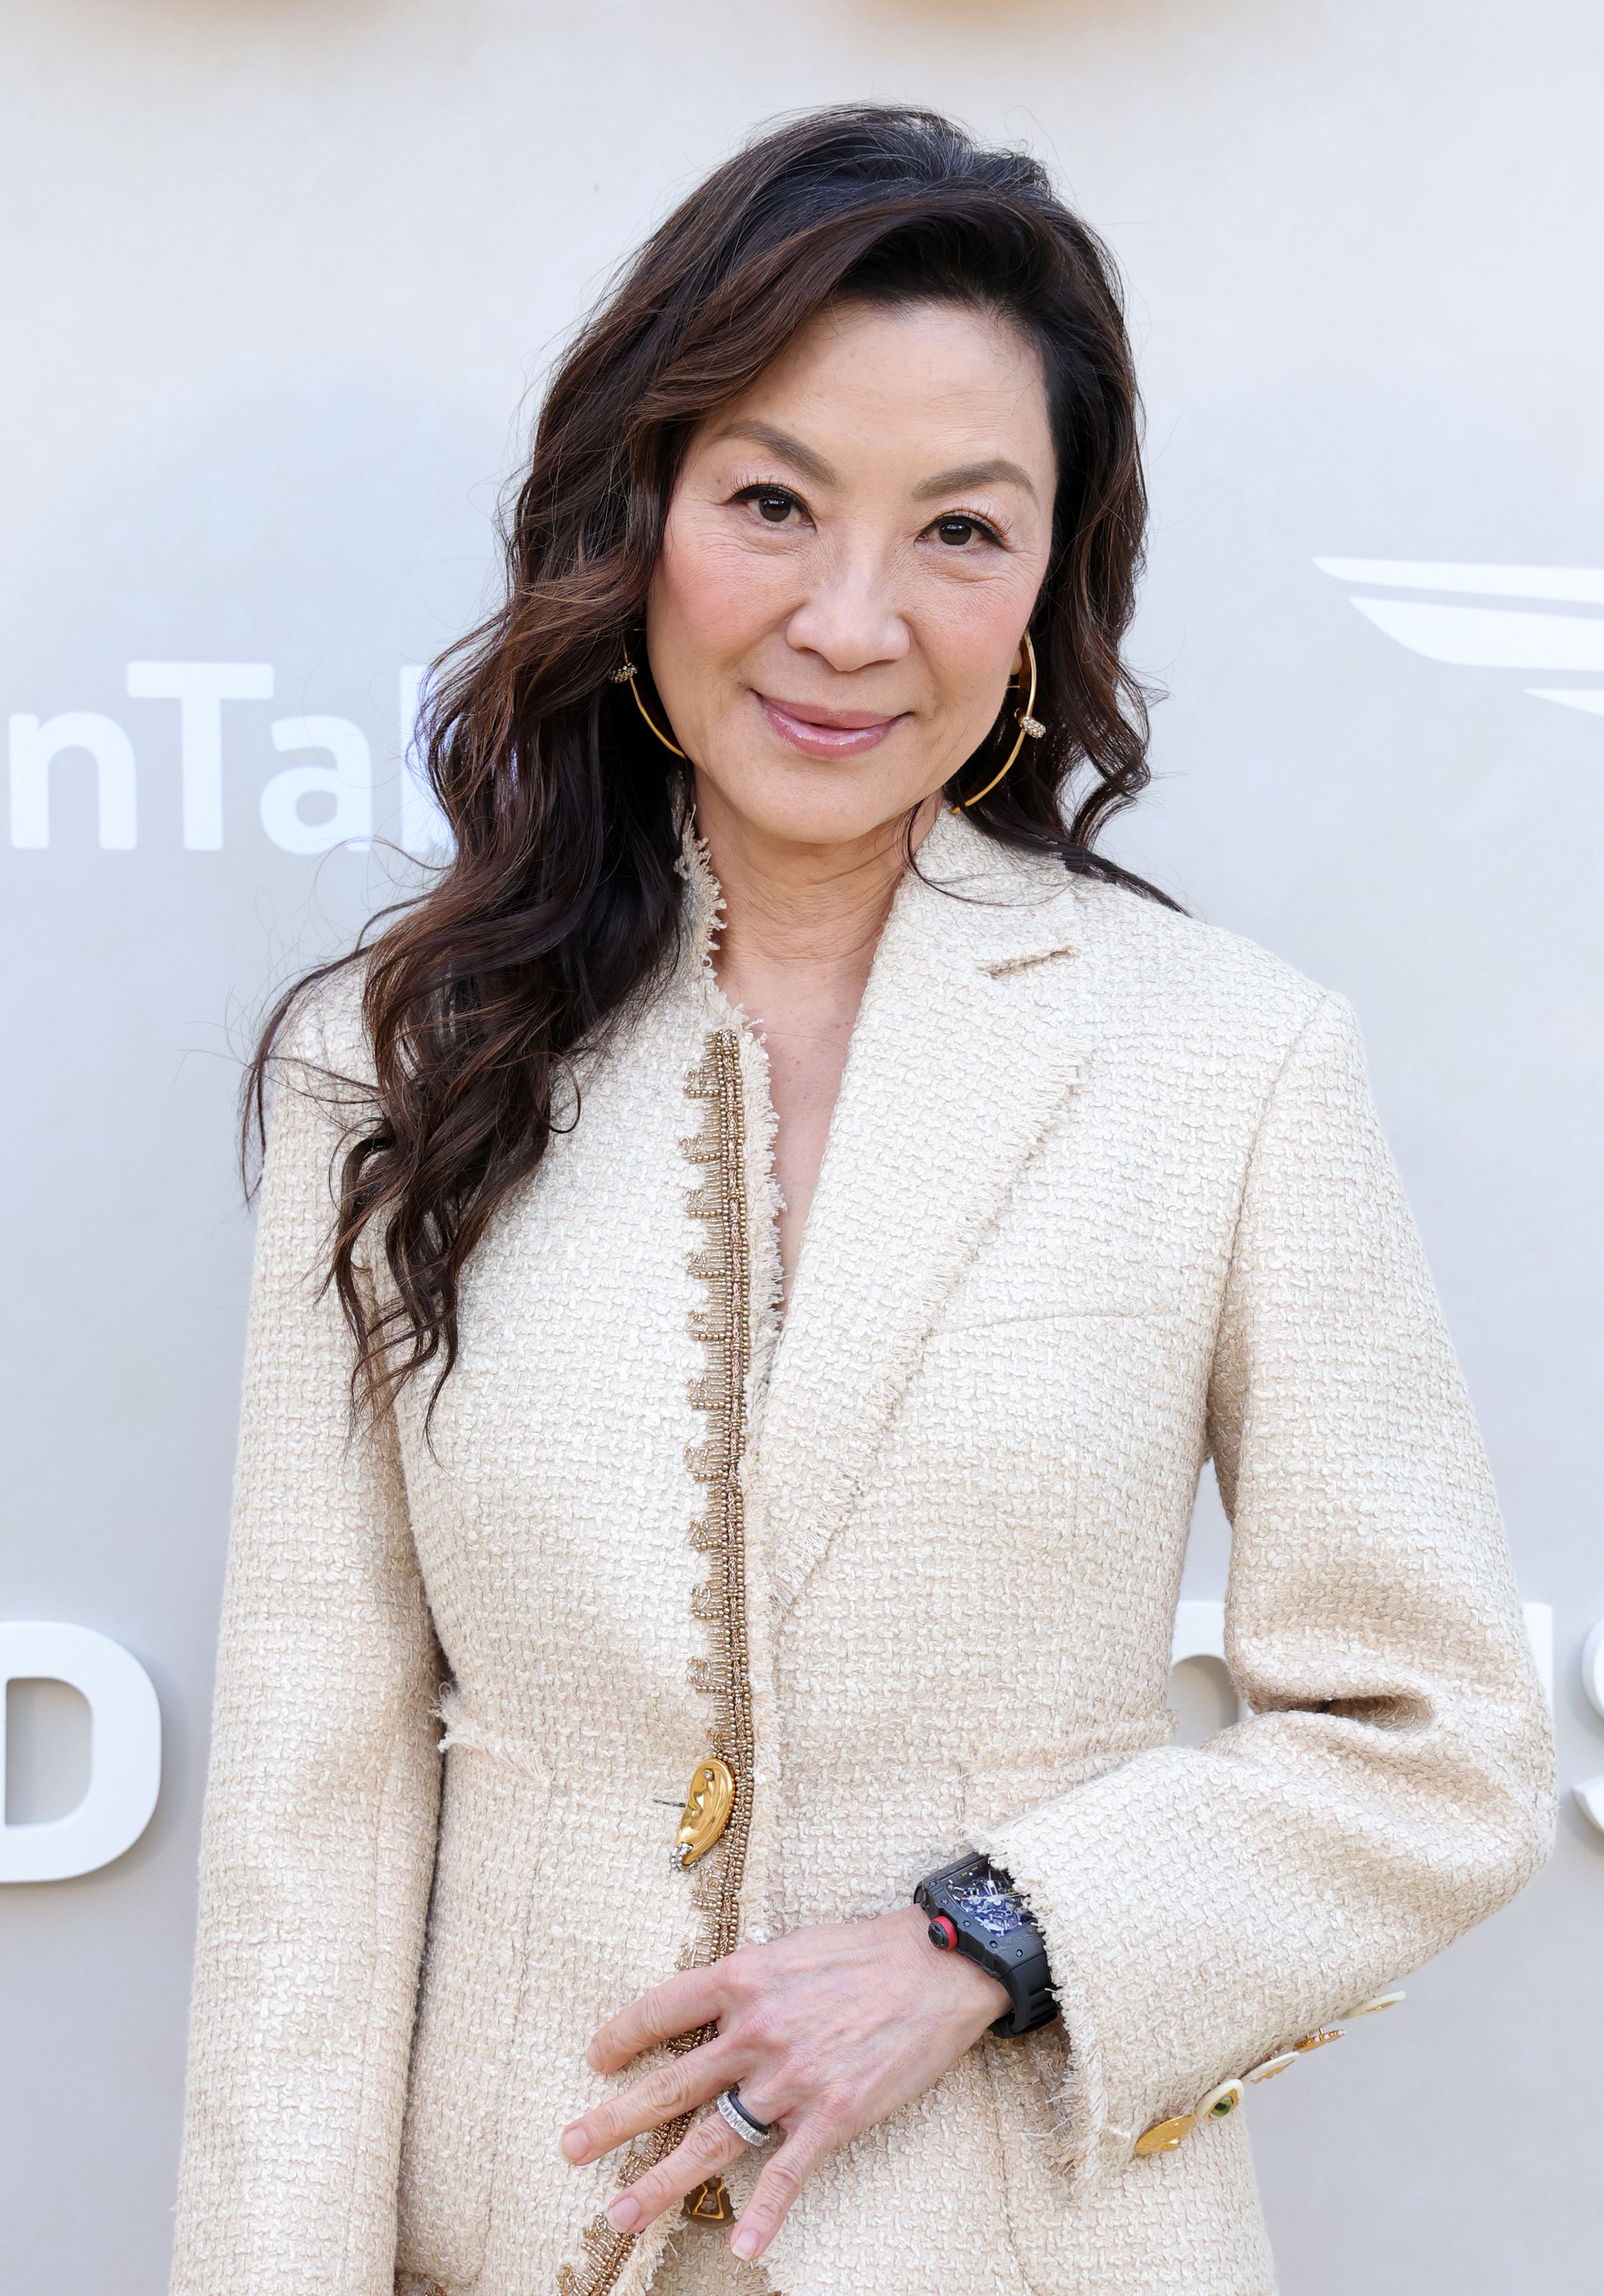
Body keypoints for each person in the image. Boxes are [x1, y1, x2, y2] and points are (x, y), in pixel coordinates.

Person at [169, 105, 1553, 2296]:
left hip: (1025, 2245)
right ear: (640, 517)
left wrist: (989, 1943)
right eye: (772, 503)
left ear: (1051, 577)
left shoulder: (1227, 1055)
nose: (848, 620)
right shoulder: (402, 1050)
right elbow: (309, 1831)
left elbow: (1438, 1744)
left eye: (958, 532)